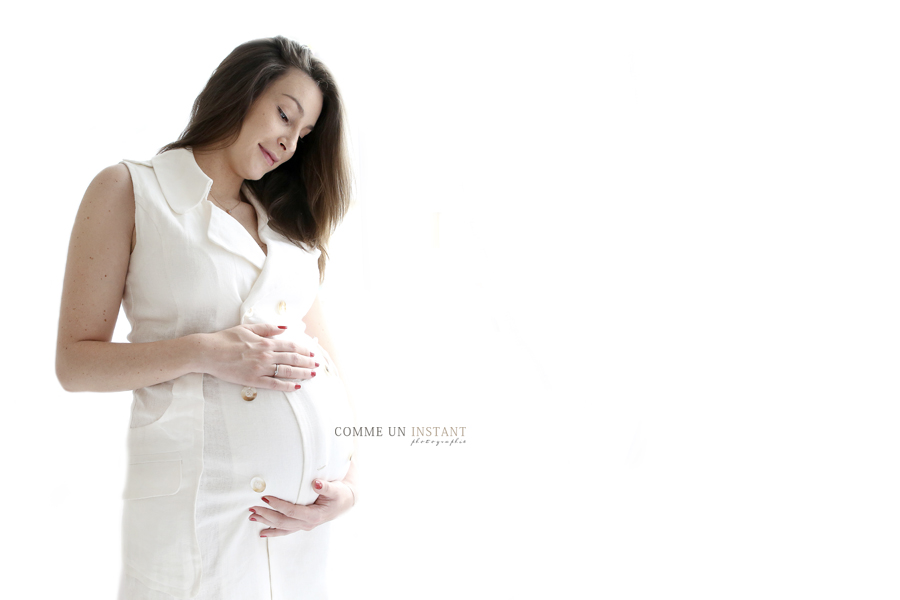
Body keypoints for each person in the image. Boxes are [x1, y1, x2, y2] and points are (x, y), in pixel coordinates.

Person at [55, 36, 359, 599]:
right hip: (198, 517)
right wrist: (207, 351)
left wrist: (350, 487)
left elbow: (330, 371)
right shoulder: (132, 190)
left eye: (304, 134)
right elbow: (75, 363)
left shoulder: (288, 231)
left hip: (301, 530)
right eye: (284, 115)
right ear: (241, 91)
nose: (290, 143)